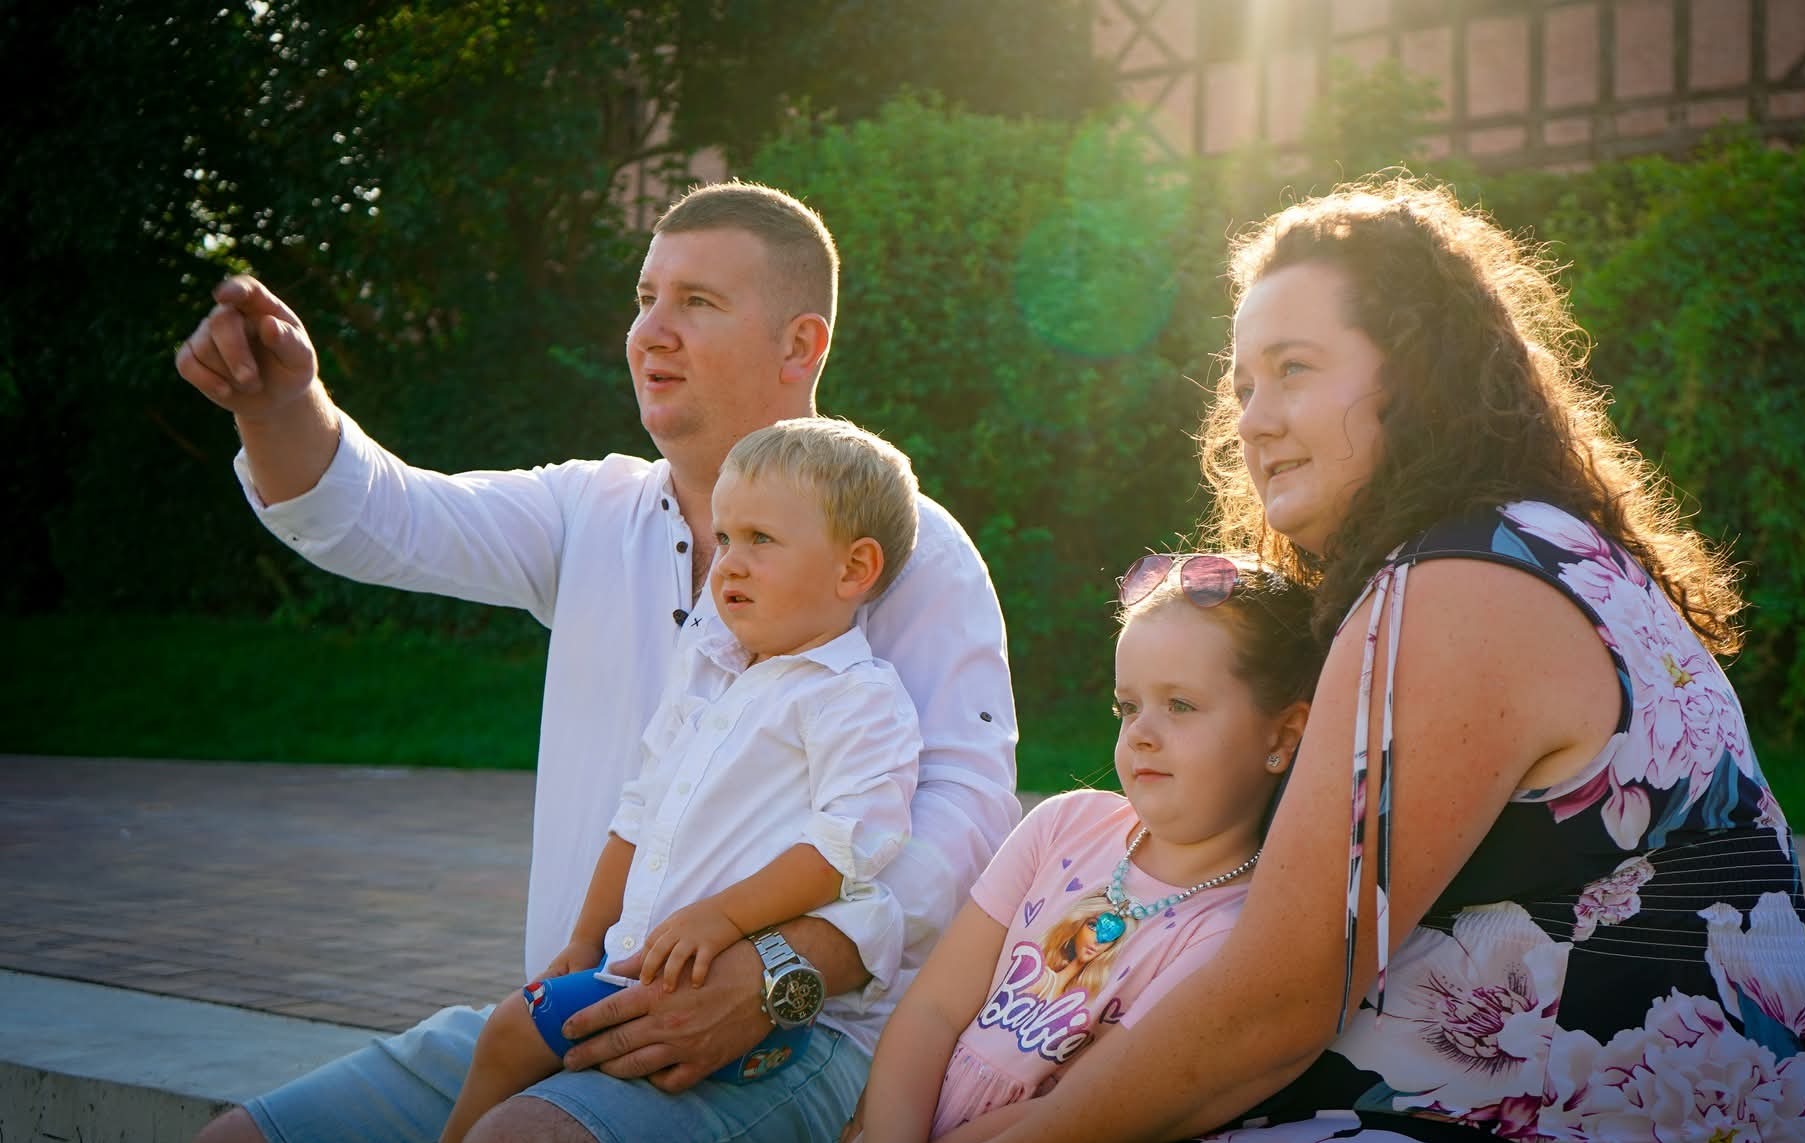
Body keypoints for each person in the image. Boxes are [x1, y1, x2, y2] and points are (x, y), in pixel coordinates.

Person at [979, 176, 1805, 1142]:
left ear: (1415, 374)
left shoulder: (1462, 589)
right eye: (1240, 385)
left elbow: (1271, 1008)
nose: (1250, 419)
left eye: (1292, 369)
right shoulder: (1531, 545)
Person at [174, 181, 1022, 1143]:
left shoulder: (907, 550)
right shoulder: (592, 510)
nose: (652, 330)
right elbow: (378, 516)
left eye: (697, 302)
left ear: (801, 345)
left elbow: (962, 817)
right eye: (644, 298)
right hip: (575, 1011)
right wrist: (283, 404)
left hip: (794, 1034)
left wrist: (778, 971)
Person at [441, 417, 926, 1142]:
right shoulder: (710, 678)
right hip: (634, 964)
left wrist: (725, 918)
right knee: (515, 1032)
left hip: (727, 992)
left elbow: (845, 847)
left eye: (761, 540)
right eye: (725, 538)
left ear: (853, 569)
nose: (728, 562)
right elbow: (636, 815)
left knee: (525, 1041)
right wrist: (583, 935)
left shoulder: (856, 695)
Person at [844, 552, 1324, 1143]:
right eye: (1128, 706)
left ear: (1282, 735)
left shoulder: (1229, 934)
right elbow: (931, 1010)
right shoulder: (1063, 826)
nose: (1141, 733)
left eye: (1180, 705)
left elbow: (1074, 1113)